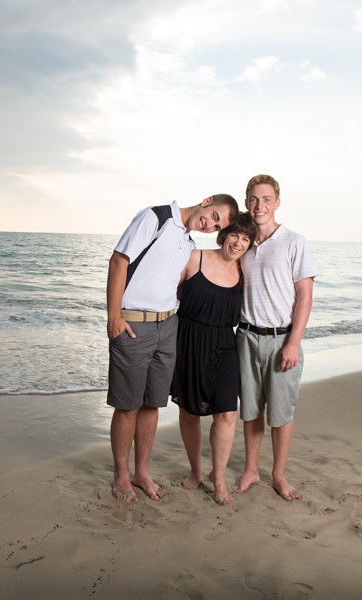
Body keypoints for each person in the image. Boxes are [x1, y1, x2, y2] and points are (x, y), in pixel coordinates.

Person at [108, 194, 240, 503]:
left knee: (153, 403)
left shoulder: (189, 244)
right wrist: (114, 316)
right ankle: (121, 477)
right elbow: (119, 260)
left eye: (217, 225)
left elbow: (182, 286)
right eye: (213, 215)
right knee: (128, 404)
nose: (210, 224)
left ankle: (142, 472)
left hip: (168, 325)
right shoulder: (155, 218)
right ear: (206, 201)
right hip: (133, 323)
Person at [234, 174, 316, 501]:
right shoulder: (243, 244)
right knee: (251, 411)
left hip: (282, 339)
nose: (260, 205)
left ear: (277, 203)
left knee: (280, 414)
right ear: (246, 202)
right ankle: (251, 471)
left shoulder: (294, 242)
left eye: (266, 199)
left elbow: (305, 296)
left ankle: (278, 475)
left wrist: (293, 342)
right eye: (254, 199)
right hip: (246, 337)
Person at [171, 213, 256, 505]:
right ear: (223, 234)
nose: (238, 243)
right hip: (188, 340)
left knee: (227, 413)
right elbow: (170, 292)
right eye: (235, 235)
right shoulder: (196, 258)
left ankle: (217, 478)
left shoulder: (244, 272)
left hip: (224, 345)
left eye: (246, 239)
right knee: (189, 411)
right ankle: (196, 471)